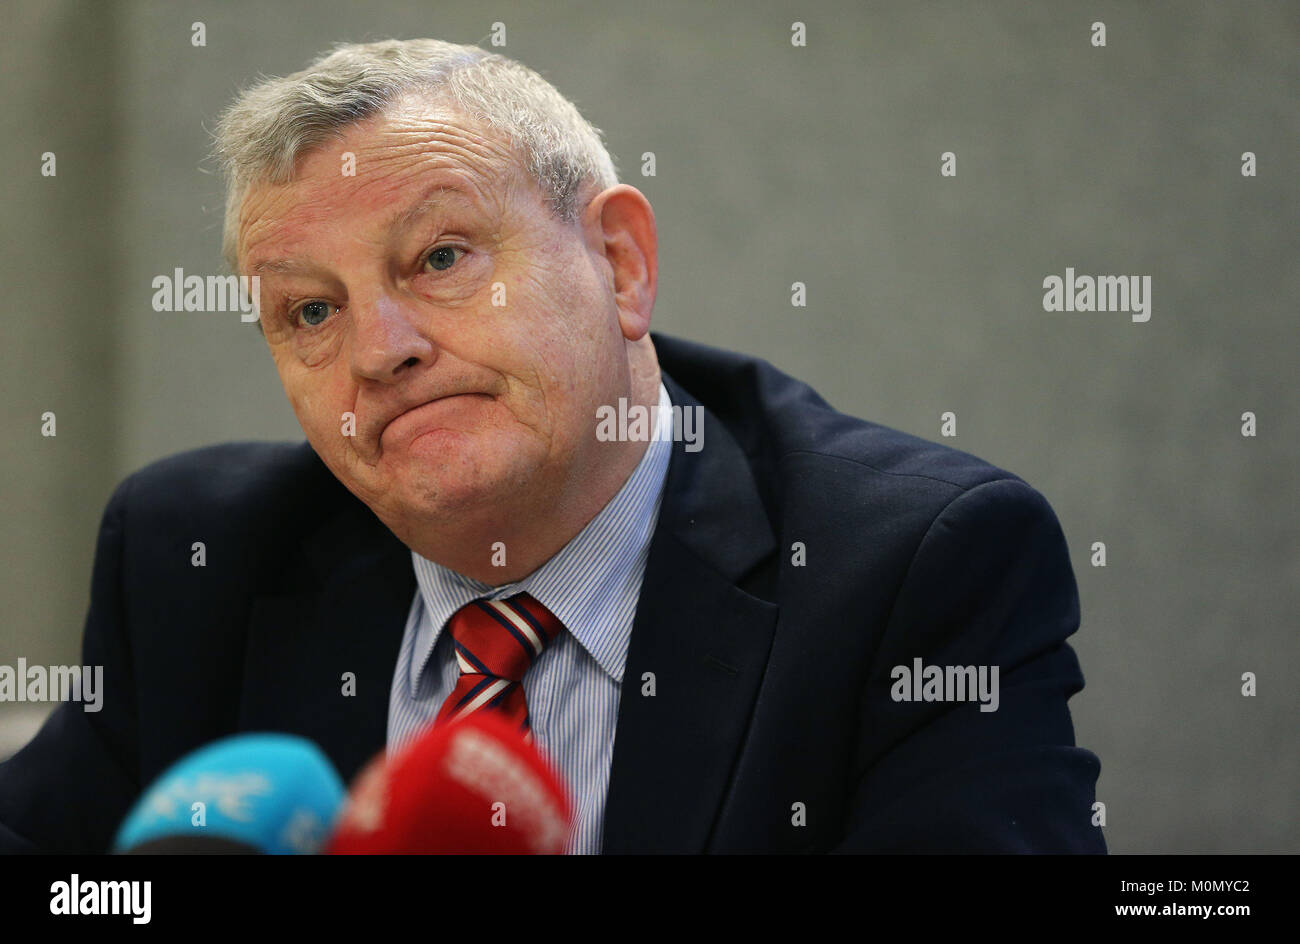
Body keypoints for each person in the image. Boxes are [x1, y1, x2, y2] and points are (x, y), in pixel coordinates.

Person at [0, 38, 1105, 854]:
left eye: (439, 257)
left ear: (620, 263)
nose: (378, 351)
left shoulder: (912, 567)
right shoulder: (193, 556)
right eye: (309, 311)